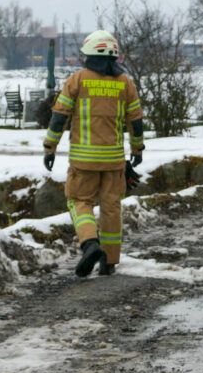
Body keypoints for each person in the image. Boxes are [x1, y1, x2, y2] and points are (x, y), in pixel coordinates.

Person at [43, 30, 145, 277]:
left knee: (79, 201)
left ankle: (89, 244)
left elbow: (59, 118)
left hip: (83, 161)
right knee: (111, 207)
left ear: (88, 54)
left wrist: (50, 148)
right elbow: (136, 120)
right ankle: (109, 262)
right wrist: (137, 149)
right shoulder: (125, 83)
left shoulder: (77, 80)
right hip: (114, 161)